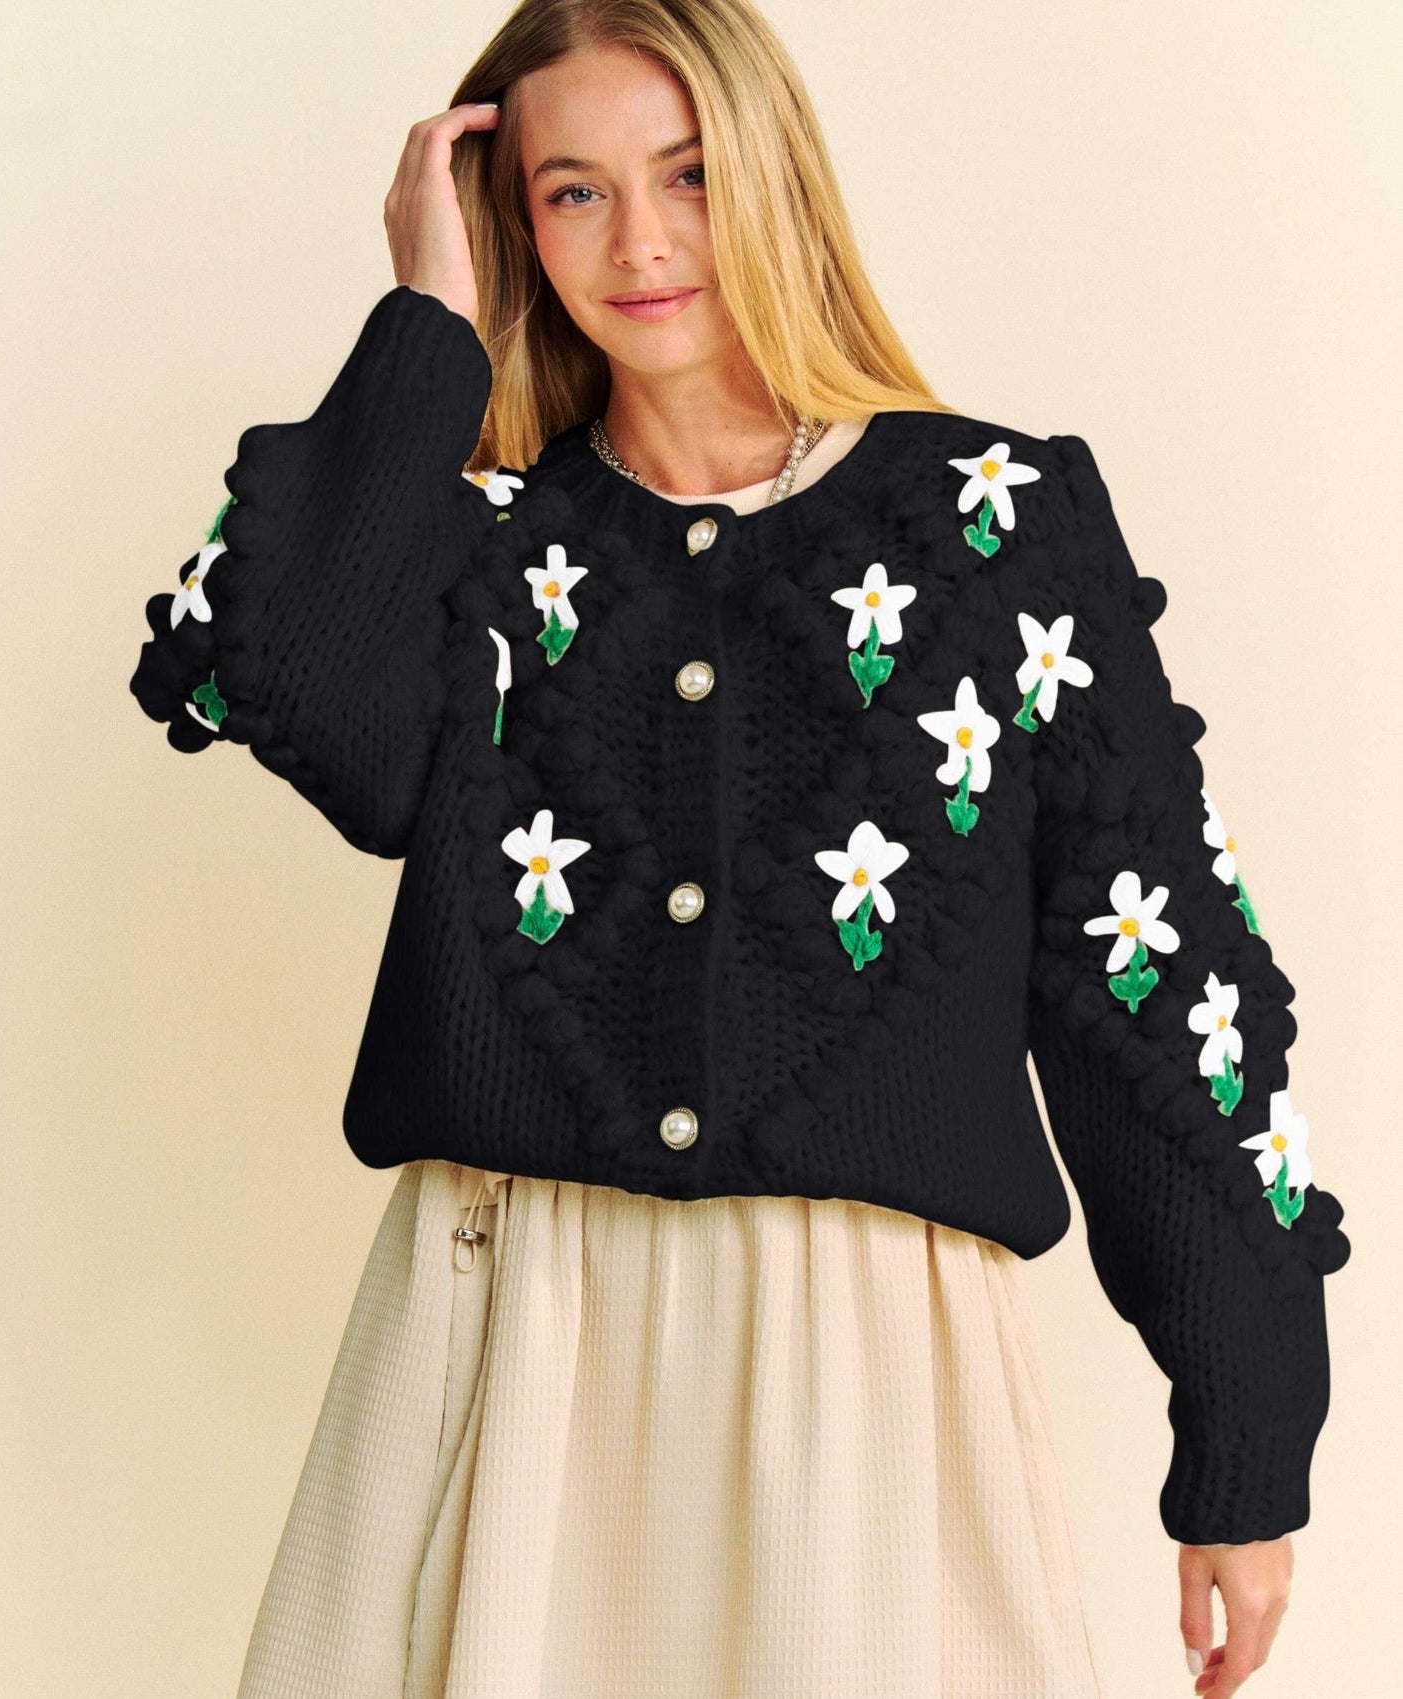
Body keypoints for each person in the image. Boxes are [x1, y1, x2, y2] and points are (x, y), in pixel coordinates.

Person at [128, 3, 1349, 1695]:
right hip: (507, 1329)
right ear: (508, 221)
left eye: (689, 174)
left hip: (858, 1352)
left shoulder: (995, 528)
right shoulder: (484, 543)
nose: (638, 242)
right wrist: (425, 327)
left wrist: (1242, 1434)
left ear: (776, 179)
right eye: (570, 191)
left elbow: (1148, 978)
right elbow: (287, 690)